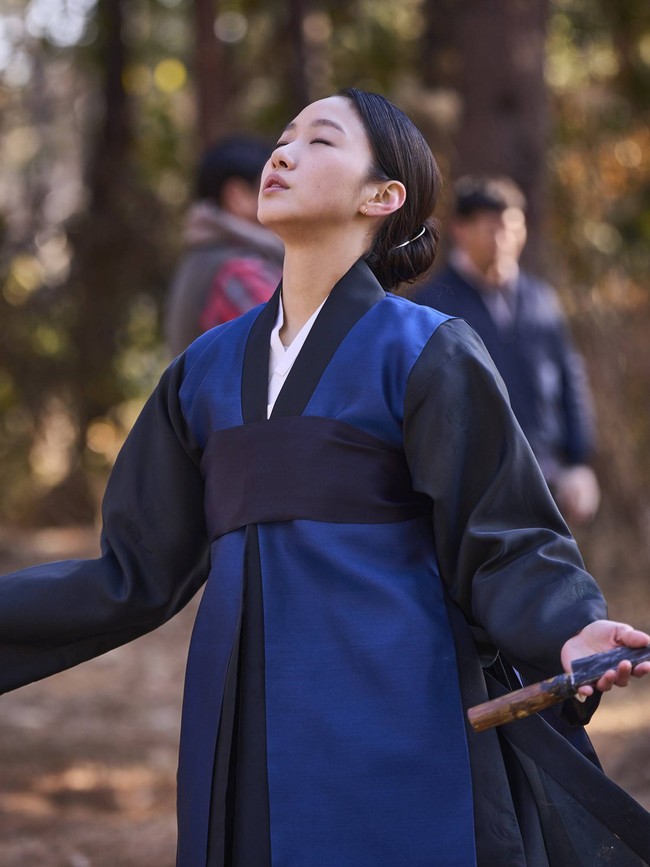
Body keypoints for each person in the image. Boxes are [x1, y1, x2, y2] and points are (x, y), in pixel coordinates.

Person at [1, 90, 649, 867]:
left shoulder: (427, 349)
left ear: (383, 196)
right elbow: (131, 572)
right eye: (282, 138)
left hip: (399, 708)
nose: (283, 153)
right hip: (239, 719)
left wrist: (570, 624)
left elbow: (505, 536)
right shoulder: (201, 372)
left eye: (319, 140)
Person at [413, 175, 601, 526]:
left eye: (514, 228)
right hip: (470, 496)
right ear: (460, 230)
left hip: (550, 483)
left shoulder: (540, 299)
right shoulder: (431, 306)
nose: (505, 240)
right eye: (493, 229)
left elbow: (569, 378)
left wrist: (579, 463)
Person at [165, 134, 284, 357]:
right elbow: (299, 358)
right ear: (237, 197)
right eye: (272, 184)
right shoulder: (238, 270)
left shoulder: (208, 255)